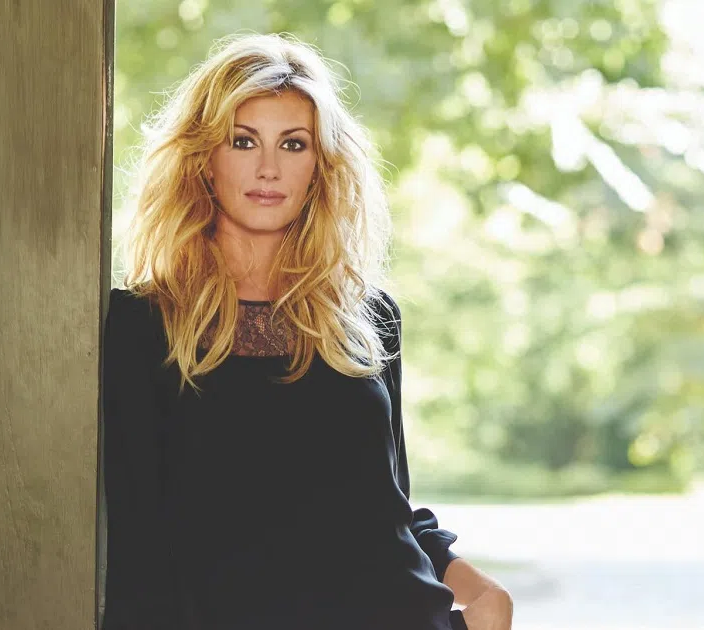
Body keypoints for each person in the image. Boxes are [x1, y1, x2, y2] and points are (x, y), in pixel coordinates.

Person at [101, 32, 513, 630]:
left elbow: (386, 506)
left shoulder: (367, 319)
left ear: (320, 165)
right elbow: (137, 540)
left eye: (293, 144)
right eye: (243, 141)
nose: (269, 168)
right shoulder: (141, 326)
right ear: (204, 159)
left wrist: (486, 598)